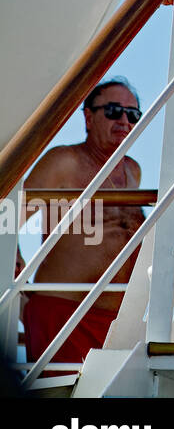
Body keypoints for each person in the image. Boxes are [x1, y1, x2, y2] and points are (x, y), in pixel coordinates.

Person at [20, 79, 144, 366]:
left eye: (133, 114)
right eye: (114, 111)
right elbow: (6, 221)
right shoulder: (65, 161)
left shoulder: (132, 170)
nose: (124, 121)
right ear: (89, 117)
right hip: (64, 314)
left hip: (117, 321)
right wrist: (17, 283)